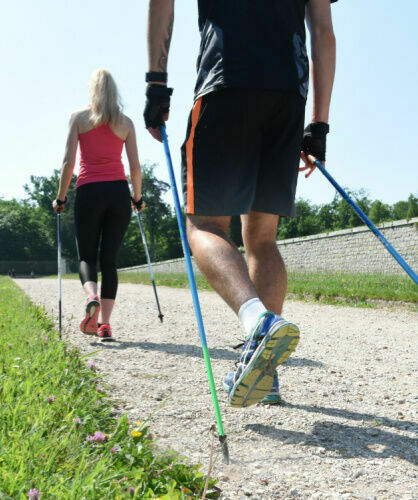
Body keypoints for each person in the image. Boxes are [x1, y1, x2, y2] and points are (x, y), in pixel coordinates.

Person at [144, 0, 336, 406]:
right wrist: (318, 124)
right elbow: (322, 30)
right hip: (287, 94)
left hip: (226, 82)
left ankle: (258, 323)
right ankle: (265, 375)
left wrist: (156, 83)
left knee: (204, 225)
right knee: (262, 238)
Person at [54, 69, 145, 342]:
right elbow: (135, 168)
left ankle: (90, 295)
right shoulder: (126, 123)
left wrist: (60, 197)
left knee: (86, 257)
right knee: (110, 262)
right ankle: (104, 325)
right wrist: (137, 198)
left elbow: (68, 163)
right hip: (118, 192)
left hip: (89, 191)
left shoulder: (79, 119)